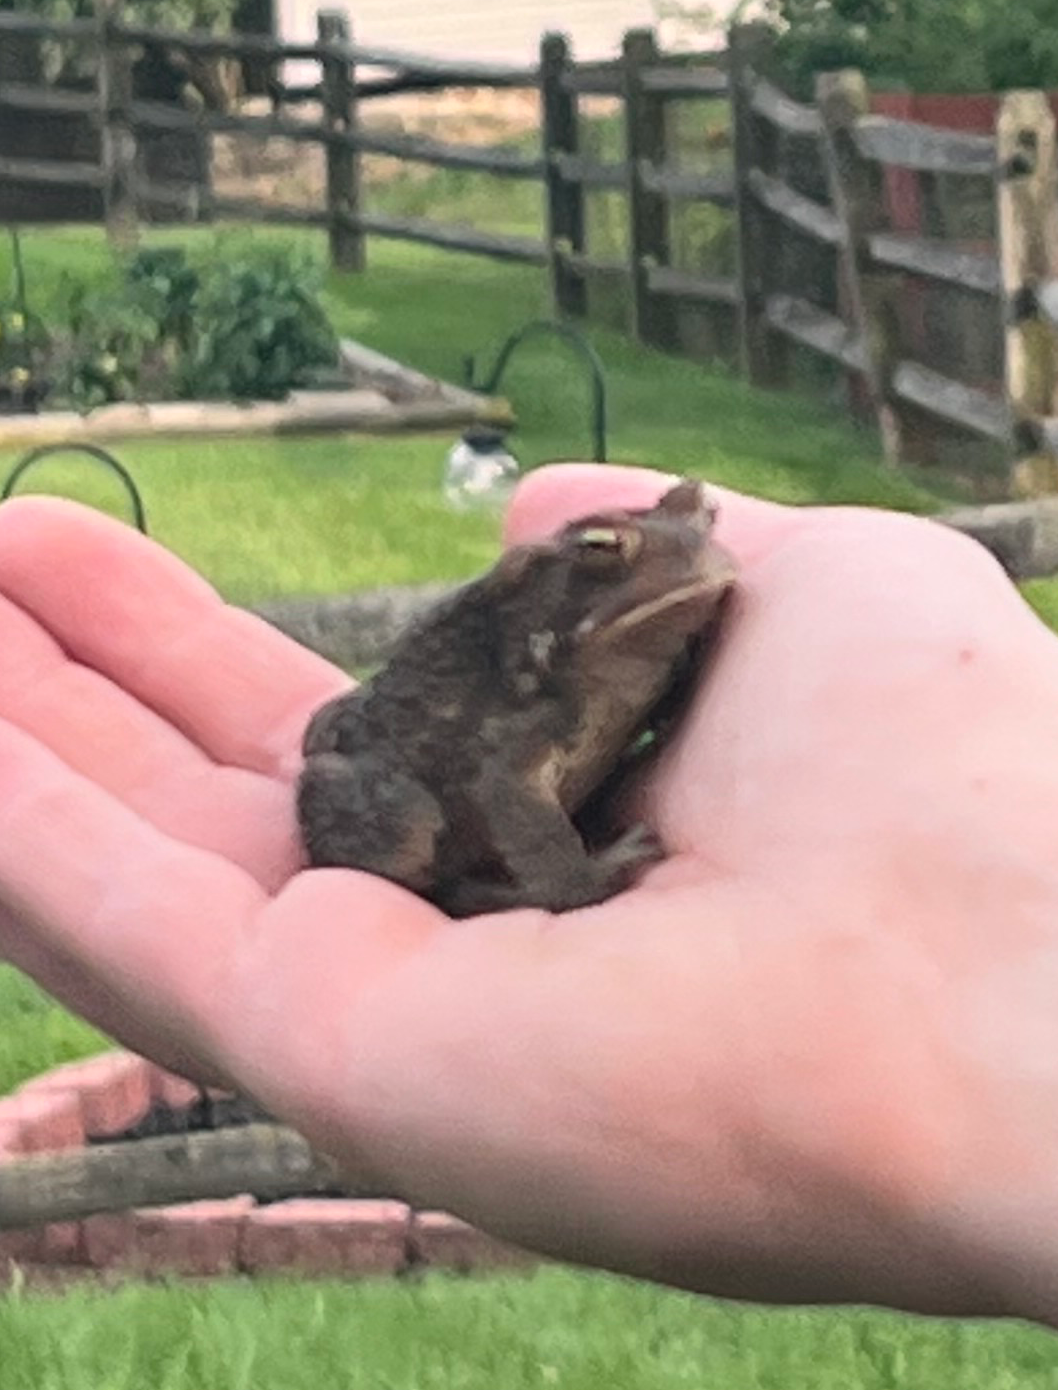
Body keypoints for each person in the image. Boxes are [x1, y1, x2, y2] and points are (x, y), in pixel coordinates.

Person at [1, 462, 1057, 1328]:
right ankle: (441, 879)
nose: (692, 556)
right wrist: (570, 884)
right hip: (398, 757)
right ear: (562, 595)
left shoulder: (643, 646)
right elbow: (506, 779)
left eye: (695, 524)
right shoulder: (542, 678)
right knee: (403, 835)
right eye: (609, 560)